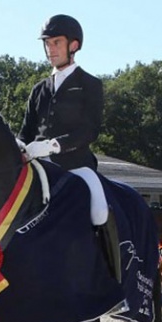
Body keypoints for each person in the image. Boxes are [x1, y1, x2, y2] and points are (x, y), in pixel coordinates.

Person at [17, 14, 120, 282]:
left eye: (56, 42)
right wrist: (18, 146)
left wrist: (51, 146)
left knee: (99, 207)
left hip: (77, 165)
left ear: (73, 45)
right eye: (47, 43)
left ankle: (113, 278)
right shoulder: (38, 89)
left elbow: (89, 131)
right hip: (38, 167)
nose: (50, 49)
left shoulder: (89, 84)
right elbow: (26, 131)